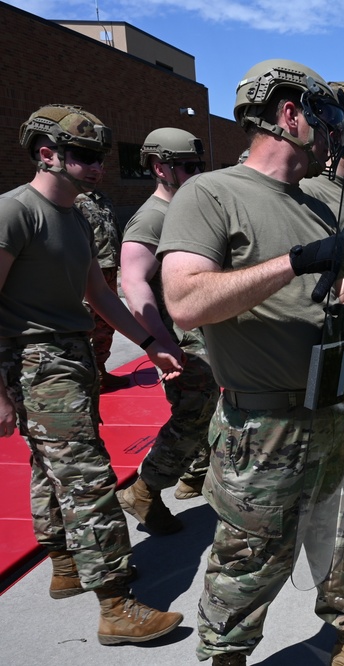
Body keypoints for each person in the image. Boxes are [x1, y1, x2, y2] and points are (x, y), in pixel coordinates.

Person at [158, 60, 344, 666]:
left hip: (329, 408)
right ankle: (228, 656)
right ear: (290, 115)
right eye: (328, 119)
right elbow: (184, 302)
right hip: (261, 429)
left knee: (338, 534)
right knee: (249, 561)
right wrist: (297, 261)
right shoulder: (210, 193)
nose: (336, 134)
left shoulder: (317, 205)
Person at [0, 104, 184, 644]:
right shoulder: (15, 212)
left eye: (100, 156)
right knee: (87, 476)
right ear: (46, 153)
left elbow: (99, 293)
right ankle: (114, 601)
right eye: (83, 156)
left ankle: (64, 563)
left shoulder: (77, 215)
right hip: (33, 360)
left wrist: (151, 343)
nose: (97, 166)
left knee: (50, 465)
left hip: (71, 356)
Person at [115, 127, 217, 535]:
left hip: (200, 336)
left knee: (205, 414)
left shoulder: (183, 210)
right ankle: (145, 487)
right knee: (194, 415)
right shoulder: (152, 218)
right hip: (180, 340)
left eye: (199, 166)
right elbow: (133, 282)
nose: (195, 174)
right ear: (160, 168)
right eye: (187, 167)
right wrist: (160, 341)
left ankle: (188, 480)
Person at [75, 189, 127, 391]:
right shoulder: (75, 200)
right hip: (89, 269)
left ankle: (101, 370)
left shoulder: (103, 198)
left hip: (110, 265)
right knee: (87, 321)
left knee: (106, 322)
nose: (98, 168)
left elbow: (113, 230)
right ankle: (85, 376)